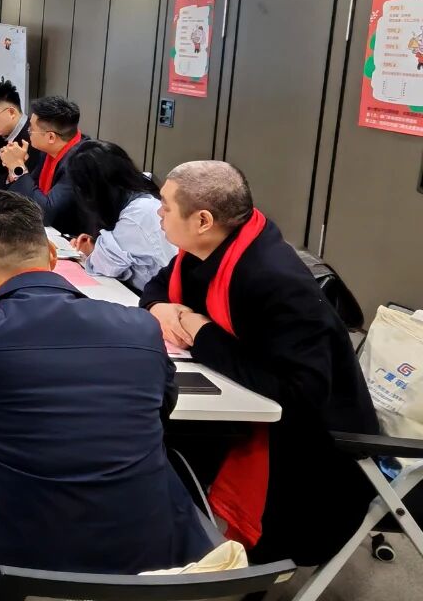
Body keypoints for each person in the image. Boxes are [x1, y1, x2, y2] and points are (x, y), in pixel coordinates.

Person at [0, 190, 212, 601]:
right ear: (52, 256)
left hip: (5, 572)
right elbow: (162, 407)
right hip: (146, 568)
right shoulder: (139, 329)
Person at [141, 161, 378, 565]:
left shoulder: (275, 279)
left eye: (165, 205)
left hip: (311, 448)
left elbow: (299, 392)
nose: (158, 213)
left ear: (203, 220)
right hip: (242, 396)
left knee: (155, 427)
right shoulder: (205, 250)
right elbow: (156, 288)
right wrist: (163, 308)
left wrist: (200, 330)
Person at [65, 140, 174, 291]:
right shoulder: (139, 200)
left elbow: (104, 264)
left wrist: (93, 249)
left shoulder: (136, 215)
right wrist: (96, 244)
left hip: (166, 299)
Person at [0, 95, 90, 236]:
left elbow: (47, 213)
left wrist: (17, 167)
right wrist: (15, 166)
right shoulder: (49, 150)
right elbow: (31, 190)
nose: (28, 132)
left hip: (73, 237)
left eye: (31, 129)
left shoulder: (80, 162)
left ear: (51, 137)